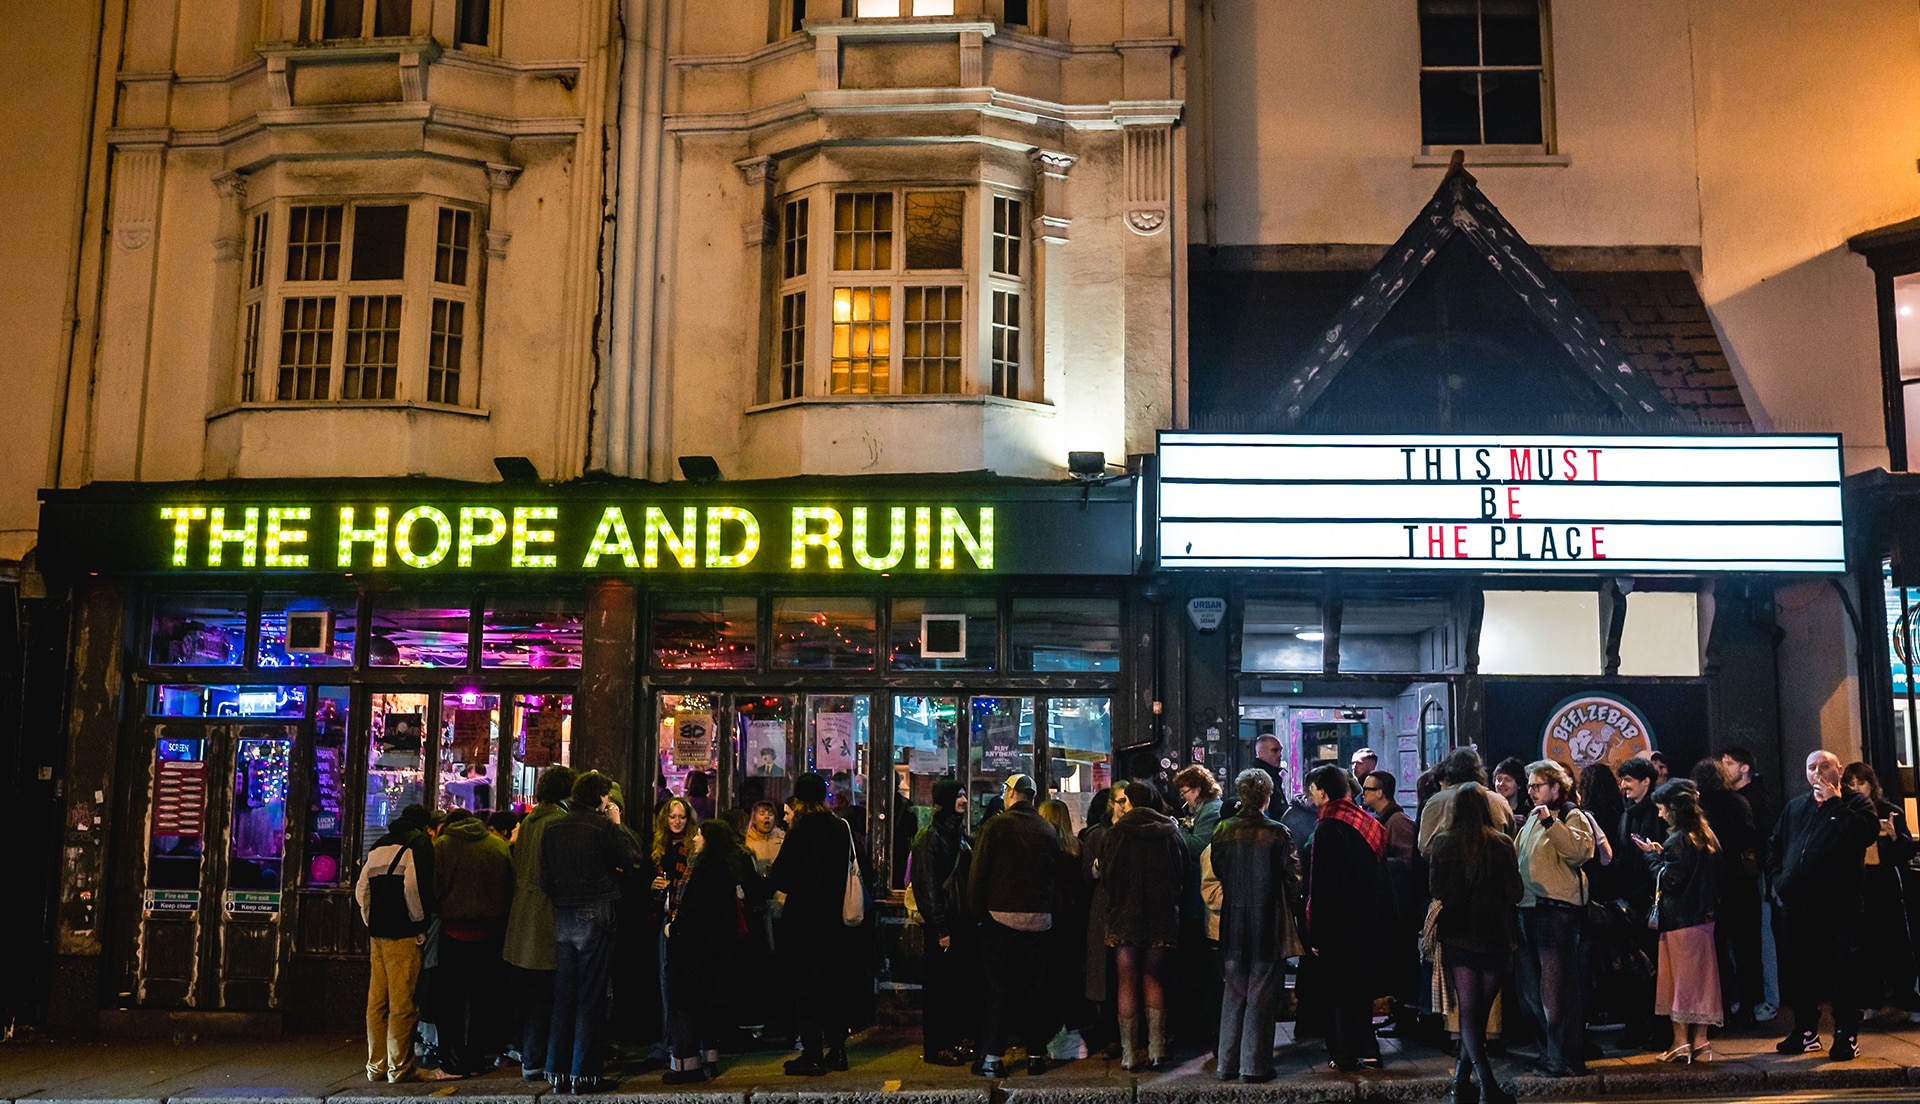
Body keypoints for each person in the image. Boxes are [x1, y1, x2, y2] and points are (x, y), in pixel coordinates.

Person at [1770, 750, 1880, 1059]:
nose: (1817, 772)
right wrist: (1780, 880)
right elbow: (1775, 844)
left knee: (1843, 973)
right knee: (1799, 972)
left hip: (1839, 906)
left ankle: (1845, 1034)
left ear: (1839, 770)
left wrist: (1834, 803)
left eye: (1824, 765)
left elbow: (1863, 834)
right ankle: (1805, 1031)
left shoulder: (1856, 804)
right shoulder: (1796, 807)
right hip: (1797, 905)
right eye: (1811, 767)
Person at [540, 771, 641, 1094]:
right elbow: (632, 857)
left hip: (563, 914)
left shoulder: (553, 826)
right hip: (596, 911)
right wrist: (616, 823)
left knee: (564, 996)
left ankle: (557, 1072)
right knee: (590, 995)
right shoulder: (601, 826)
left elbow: (544, 877)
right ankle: (584, 1074)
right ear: (600, 797)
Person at [1429, 781, 1523, 1104]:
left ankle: (1464, 1082)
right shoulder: (1501, 843)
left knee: (1469, 1010)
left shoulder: (1443, 842)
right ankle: (1485, 1085)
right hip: (1495, 934)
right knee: (1479, 1010)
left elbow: (1437, 889)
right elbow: (1515, 892)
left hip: (1458, 934)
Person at [1205, 768, 1300, 1084]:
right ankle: (1254, 1066)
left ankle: (1227, 1063)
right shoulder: (1278, 832)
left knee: (1233, 992)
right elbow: (1294, 879)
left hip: (1233, 920)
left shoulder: (1223, 829)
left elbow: (1219, 868)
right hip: (1267, 921)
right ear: (1267, 796)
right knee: (1261, 993)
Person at [968, 773, 1063, 1077]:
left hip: (1000, 917)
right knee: (1035, 989)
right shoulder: (1047, 829)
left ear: (1011, 794)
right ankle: (1035, 1056)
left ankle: (993, 1058)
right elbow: (1055, 876)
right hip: (1039, 920)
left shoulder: (996, 826)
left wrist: (978, 914)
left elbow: (978, 875)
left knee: (998, 989)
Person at [770, 773, 864, 1076]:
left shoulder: (800, 831)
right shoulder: (839, 827)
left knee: (806, 990)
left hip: (804, 921)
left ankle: (812, 1054)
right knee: (832, 987)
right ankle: (838, 1051)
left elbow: (782, 878)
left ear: (799, 800)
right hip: (835, 921)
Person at [1096, 780, 1186, 1072]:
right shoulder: (1170, 832)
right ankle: (1157, 1049)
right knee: (1153, 978)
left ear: (1131, 801)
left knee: (1127, 980)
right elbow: (1181, 874)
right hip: (1161, 917)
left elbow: (1107, 875)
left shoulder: (1116, 833)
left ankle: (1129, 1054)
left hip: (1125, 916)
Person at [1301, 763, 1386, 1071]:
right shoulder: (1366, 821)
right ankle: (1370, 1051)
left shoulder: (1328, 827)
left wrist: (1317, 933)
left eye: (1312, 790)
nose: (1310, 796)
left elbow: (1322, 885)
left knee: (1336, 992)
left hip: (1337, 925)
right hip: (1366, 921)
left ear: (1324, 792)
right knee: (1361, 991)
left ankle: (1344, 1054)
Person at [1633, 780, 1724, 1064]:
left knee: (1679, 983)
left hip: (1680, 921)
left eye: (1662, 808)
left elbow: (1670, 881)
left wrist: (1651, 857)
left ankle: (1680, 1042)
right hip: (1704, 919)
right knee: (1702, 981)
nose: (1660, 814)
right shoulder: (1706, 835)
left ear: (1674, 808)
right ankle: (1701, 1041)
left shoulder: (1678, 840)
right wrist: (1663, 856)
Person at [1513, 759, 1593, 1078]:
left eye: (1537, 785)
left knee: (1556, 990)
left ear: (1556, 787)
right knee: (1531, 990)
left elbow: (1580, 852)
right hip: (1528, 908)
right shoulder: (1533, 819)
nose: (1531, 791)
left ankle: (1565, 1057)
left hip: (1556, 911)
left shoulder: (1571, 815)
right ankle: (1548, 1053)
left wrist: (1550, 822)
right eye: (1529, 786)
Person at [663, 820, 751, 1083]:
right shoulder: (726, 868)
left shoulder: (703, 870)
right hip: (715, 949)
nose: (695, 838)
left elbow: (693, 912)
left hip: (693, 949)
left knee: (684, 1004)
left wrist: (672, 929)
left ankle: (686, 1065)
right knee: (708, 1005)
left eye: (700, 835)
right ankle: (710, 1059)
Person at [503, 765, 574, 1085]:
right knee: (549, 996)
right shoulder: (556, 823)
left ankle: (531, 1058)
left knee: (532, 997)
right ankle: (543, 1060)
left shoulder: (529, 821)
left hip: (522, 920)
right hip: (546, 921)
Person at [431, 809, 516, 1076]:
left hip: (453, 931)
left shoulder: (443, 845)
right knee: (483, 1000)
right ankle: (478, 1058)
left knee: (450, 1002)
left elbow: (435, 888)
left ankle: (454, 1061)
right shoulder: (498, 845)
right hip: (489, 932)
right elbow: (510, 886)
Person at [357, 803, 433, 1084]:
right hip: (402, 935)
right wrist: (419, 923)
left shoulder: (378, 845)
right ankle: (399, 1067)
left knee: (376, 1001)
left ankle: (375, 1066)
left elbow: (361, 890)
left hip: (377, 935)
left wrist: (371, 919)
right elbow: (412, 888)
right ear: (424, 825)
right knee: (402, 1003)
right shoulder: (418, 844)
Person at [1843, 762, 1920, 1013]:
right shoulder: (1843, 811)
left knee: (1896, 941)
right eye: (1851, 784)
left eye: (1861, 783)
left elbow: (1907, 850)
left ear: (1871, 784)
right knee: (1864, 943)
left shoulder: (1889, 810)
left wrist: (1894, 835)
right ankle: (1870, 999)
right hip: (1857, 882)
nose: (1856, 788)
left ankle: (1904, 997)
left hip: (1884, 881)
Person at [912, 780, 976, 1066]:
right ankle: (937, 1047)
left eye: (964, 795)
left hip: (958, 923)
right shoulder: (929, 837)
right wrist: (940, 928)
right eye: (959, 795)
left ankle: (952, 1040)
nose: (964, 800)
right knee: (939, 989)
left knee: (954, 986)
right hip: (944, 926)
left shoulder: (956, 835)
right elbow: (927, 888)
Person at [1691, 758, 1758, 1020]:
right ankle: (1749, 1008)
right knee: (1746, 948)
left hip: (1713, 883)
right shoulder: (1739, 802)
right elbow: (1749, 836)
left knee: (1716, 949)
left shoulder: (1699, 807)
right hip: (1741, 881)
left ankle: (1723, 1007)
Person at [1720, 746, 1780, 1021]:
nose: (1724, 768)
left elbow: (1768, 839)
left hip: (1757, 876)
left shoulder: (1757, 799)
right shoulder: (1736, 798)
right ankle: (1753, 998)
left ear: (1745, 768)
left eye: (1729, 763)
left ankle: (1768, 1000)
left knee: (1762, 938)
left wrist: (1769, 874)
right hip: (1746, 876)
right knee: (1747, 941)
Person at [1363, 769, 1420, 1033]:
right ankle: (1399, 1013)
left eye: (1367, 789)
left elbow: (1408, 861)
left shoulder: (1397, 822)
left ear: (1380, 793)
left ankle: (1406, 1016)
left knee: (1403, 961)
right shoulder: (1384, 819)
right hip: (1393, 903)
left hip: (1401, 906)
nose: (1363, 794)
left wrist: (1376, 861)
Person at [1172, 765, 1224, 1048]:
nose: (1184, 799)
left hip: (1200, 899)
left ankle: (1205, 1030)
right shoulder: (1203, 811)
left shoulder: (1211, 812)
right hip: (1195, 898)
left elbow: (1199, 846)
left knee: (1203, 968)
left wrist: (1176, 829)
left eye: (1186, 792)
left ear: (1198, 790)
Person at [1614, 757, 1663, 1049]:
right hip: (1630, 903)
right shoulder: (1627, 812)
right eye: (1622, 780)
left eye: (1629, 780)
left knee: (1652, 969)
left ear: (1646, 781)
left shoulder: (1656, 813)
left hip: (1648, 903)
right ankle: (1637, 1028)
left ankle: (1657, 1030)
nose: (1624, 785)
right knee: (1632, 970)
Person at [649, 796, 697, 1062]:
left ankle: (677, 1043)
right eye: (673, 816)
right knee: (663, 982)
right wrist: (650, 885)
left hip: (683, 922)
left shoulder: (692, 849)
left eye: (681, 817)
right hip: (660, 919)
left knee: (677, 983)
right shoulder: (657, 848)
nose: (677, 822)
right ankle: (666, 1040)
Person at [1038, 798, 1086, 1055]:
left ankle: (1052, 1033)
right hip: (1073, 920)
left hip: (1048, 918)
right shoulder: (1077, 848)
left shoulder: (1043, 848)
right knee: (1070, 975)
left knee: (1048, 978)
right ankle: (1073, 1032)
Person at [1418, 749, 1512, 854]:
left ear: (1449, 770)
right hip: (1492, 862)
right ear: (1479, 770)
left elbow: (1424, 846)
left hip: (1449, 864)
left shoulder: (1436, 802)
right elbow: (1510, 839)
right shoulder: (1499, 801)